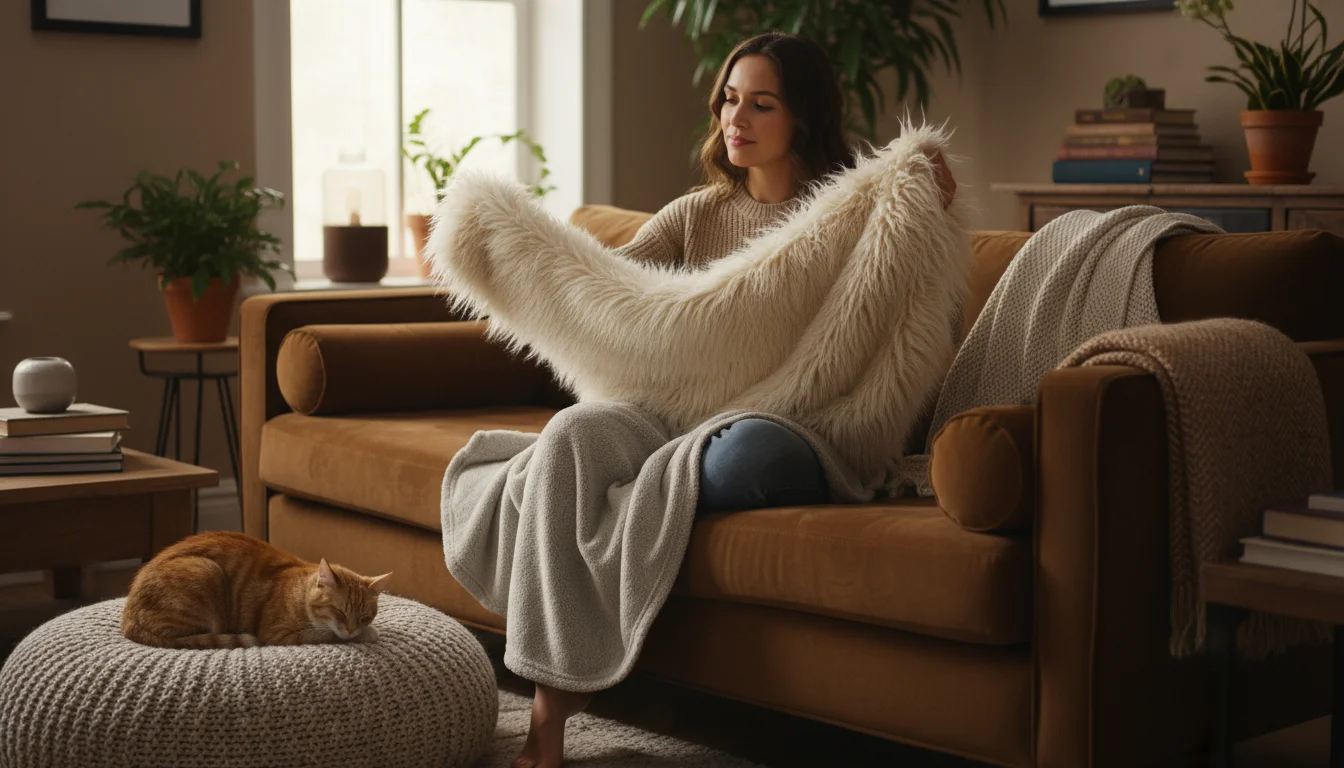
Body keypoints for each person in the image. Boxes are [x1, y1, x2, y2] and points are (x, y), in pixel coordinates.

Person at [511, 31, 957, 768]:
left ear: (803, 118)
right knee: (571, 436)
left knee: (742, 454)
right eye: (728, 99)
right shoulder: (695, 215)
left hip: (790, 423)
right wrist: (522, 254)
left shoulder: (851, 221)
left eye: (761, 104)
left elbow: (906, 328)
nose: (735, 119)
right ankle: (547, 719)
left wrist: (925, 205)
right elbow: (609, 298)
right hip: (665, 417)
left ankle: (650, 497)